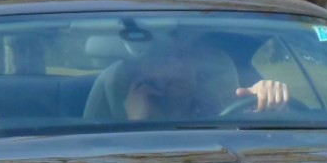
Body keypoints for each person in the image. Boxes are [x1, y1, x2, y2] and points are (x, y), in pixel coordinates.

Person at [123, 51, 290, 121]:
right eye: (163, 61)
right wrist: (137, 121)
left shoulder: (219, 111)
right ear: (144, 80)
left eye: (183, 57)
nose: (180, 67)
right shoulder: (124, 128)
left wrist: (264, 100)